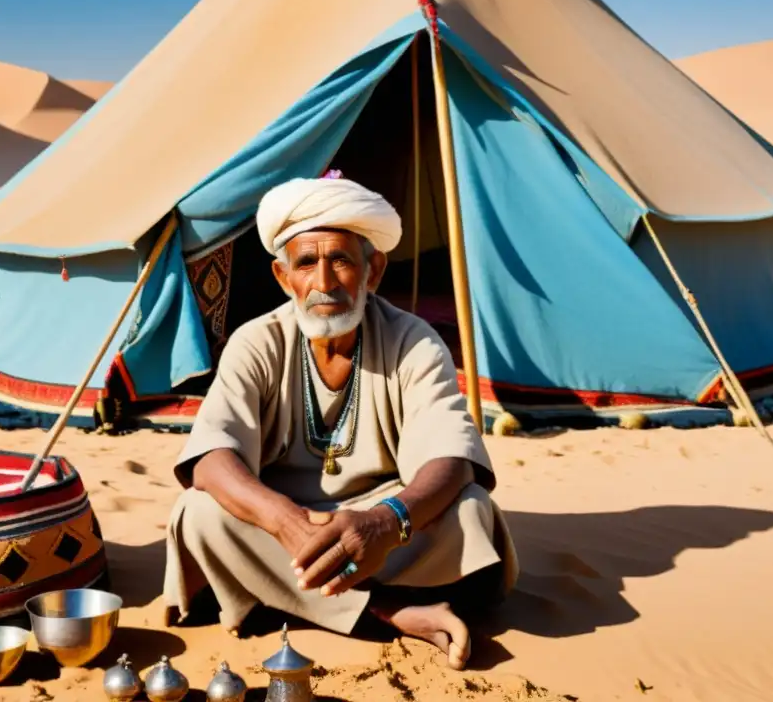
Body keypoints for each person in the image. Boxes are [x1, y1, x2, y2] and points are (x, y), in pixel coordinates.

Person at [162, 175, 517, 669]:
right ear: (284, 279)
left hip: (383, 524)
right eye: (306, 263)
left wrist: (382, 523)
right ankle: (388, 613)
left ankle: (293, 599)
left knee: (472, 511)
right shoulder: (255, 342)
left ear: (372, 272)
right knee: (197, 514)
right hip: (280, 526)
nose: (324, 284)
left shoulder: (411, 341)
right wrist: (285, 522)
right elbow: (211, 460)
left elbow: (452, 459)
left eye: (342, 261)